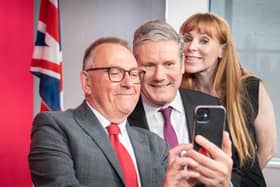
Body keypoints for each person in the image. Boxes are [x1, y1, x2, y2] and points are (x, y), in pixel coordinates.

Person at [29, 37, 203, 187]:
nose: (128, 83)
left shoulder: (155, 145)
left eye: (134, 74)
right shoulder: (55, 128)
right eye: (115, 72)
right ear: (87, 82)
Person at [128, 20, 235, 187]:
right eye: (149, 65)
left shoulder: (210, 105)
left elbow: (236, 173)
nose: (159, 76)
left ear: (183, 65)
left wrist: (226, 183)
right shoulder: (122, 117)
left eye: (169, 64)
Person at [179, 12, 277, 186]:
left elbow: (267, 150)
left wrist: (237, 180)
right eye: (187, 39)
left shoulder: (252, 88)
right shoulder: (176, 92)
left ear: (222, 50)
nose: (191, 47)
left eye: (204, 40)